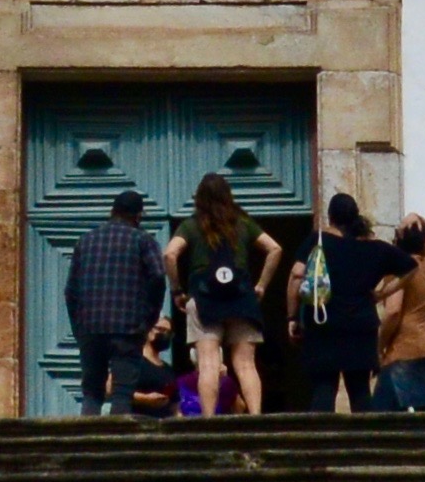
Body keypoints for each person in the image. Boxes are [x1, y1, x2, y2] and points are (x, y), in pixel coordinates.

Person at [174, 175, 274, 418]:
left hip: (204, 298)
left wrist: (177, 290)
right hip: (241, 298)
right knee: (246, 364)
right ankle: (255, 416)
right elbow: (275, 248)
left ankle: (208, 419)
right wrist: (261, 285)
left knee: (208, 363)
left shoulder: (191, 225)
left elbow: (169, 254)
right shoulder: (243, 224)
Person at [62, 191, 165, 420]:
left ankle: (86, 445)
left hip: (91, 328)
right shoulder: (143, 240)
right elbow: (158, 277)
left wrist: (79, 328)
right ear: (138, 216)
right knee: (122, 392)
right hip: (128, 329)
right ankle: (116, 447)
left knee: (92, 393)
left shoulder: (86, 241)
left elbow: (70, 291)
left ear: (112, 211)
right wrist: (148, 318)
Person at [300, 192, 397, 415]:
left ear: (330, 216)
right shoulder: (372, 248)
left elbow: (297, 275)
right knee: (360, 392)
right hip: (361, 327)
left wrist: (293, 316)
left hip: (325, 324)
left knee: (324, 388)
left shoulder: (318, 241)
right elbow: (410, 266)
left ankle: (318, 446)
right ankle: (366, 445)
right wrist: (382, 293)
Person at [370, 215, 425, 414]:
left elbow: (393, 312)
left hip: (402, 352)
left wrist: (379, 348)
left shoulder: (400, 268)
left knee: (382, 419)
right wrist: (416, 224)